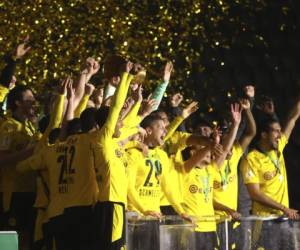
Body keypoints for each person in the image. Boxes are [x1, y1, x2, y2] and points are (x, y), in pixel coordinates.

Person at [241, 98, 300, 249]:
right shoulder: (251, 159)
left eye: (280, 131)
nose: (280, 135)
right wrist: (283, 208)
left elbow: (293, 118)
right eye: (276, 131)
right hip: (265, 221)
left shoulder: (278, 149)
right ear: (264, 134)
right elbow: (255, 194)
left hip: (284, 218)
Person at [92, 61, 134, 250]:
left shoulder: (113, 143)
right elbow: (116, 107)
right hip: (111, 202)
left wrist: (136, 98)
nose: (121, 124)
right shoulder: (104, 138)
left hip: (114, 202)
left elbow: (126, 116)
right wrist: (125, 75)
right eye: (117, 122)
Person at [212, 100, 256, 250]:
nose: (230, 151)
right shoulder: (211, 164)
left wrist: (248, 111)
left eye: (232, 147)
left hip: (231, 219)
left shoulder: (236, 153)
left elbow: (251, 132)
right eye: (227, 147)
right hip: (213, 220)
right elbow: (205, 197)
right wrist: (227, 209)